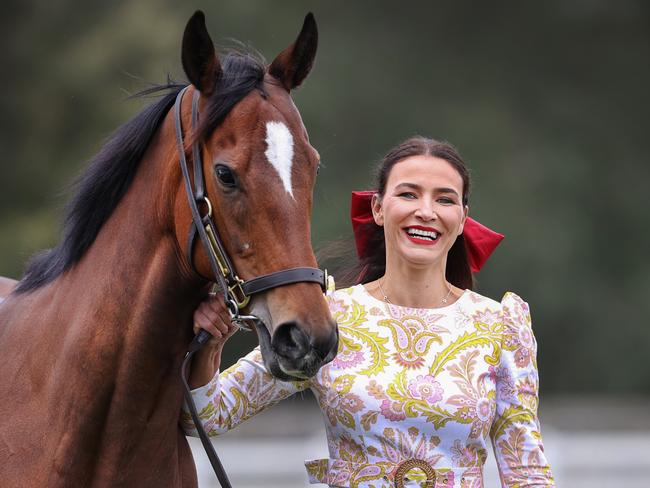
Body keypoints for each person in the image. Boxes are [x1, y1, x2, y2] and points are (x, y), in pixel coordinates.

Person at [182, 136, 555, 487]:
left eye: (444, 200)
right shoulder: (328, 317)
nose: (425, 211)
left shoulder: (501, 324)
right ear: (378, 208)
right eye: (409, 194)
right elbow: (207, 416)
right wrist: (210, 344)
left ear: (461, 219)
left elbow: (527, 473)